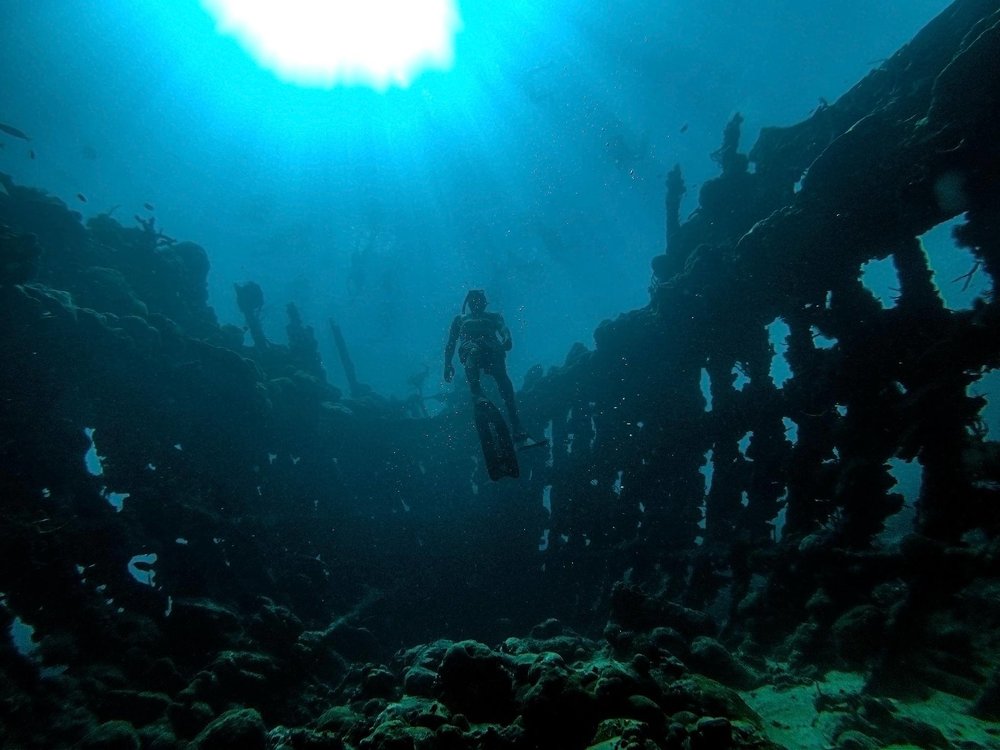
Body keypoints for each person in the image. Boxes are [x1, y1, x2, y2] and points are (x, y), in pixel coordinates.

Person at [444, 289, 527, 442]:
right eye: (474, 300)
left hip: (492, 349)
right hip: (470, 349)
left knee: (503, 378)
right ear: (469, 303)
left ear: (484, 302)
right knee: (474, 353)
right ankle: (477, 392)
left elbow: (503, 328)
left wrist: (507, 338)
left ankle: (516, 424)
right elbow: (451, 342)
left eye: (480, 300)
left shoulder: (494, 317)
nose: (477, 303)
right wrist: (447, 364)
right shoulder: (460, 319)